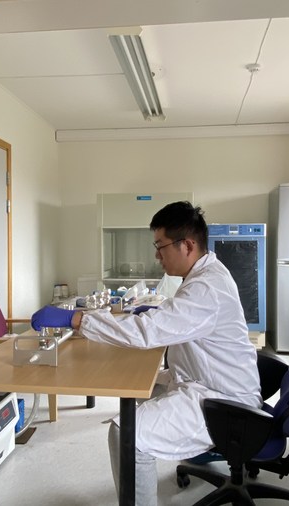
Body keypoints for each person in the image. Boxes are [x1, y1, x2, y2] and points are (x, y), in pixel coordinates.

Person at [30, 201, 262, 505]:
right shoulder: (206, 274)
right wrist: (158, 312)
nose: (157, 255)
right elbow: (182, 318)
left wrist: (75, 319)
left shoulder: (207, 288)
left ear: (187, 246)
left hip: (224, 405)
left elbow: (147, 333)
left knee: (127, 433)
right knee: (136, 383)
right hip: (206, 381)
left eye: (160, 246)